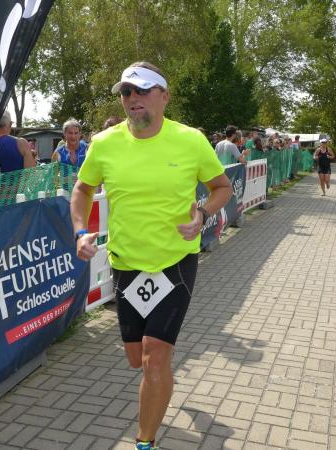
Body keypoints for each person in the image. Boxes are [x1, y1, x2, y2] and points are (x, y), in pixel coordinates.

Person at [71, 61, 232, 450]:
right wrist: (79, 231)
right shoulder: (104, 143)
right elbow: (82, 189)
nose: (132, 98)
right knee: (136, 358)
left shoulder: (191, 140)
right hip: (127, 265)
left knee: (153, 356)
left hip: (175, 262)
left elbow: (222, 187)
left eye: (142, 90)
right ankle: (162, 377)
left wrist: (203, 213)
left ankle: (146, 442)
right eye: (126, 92)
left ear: (164, 96)